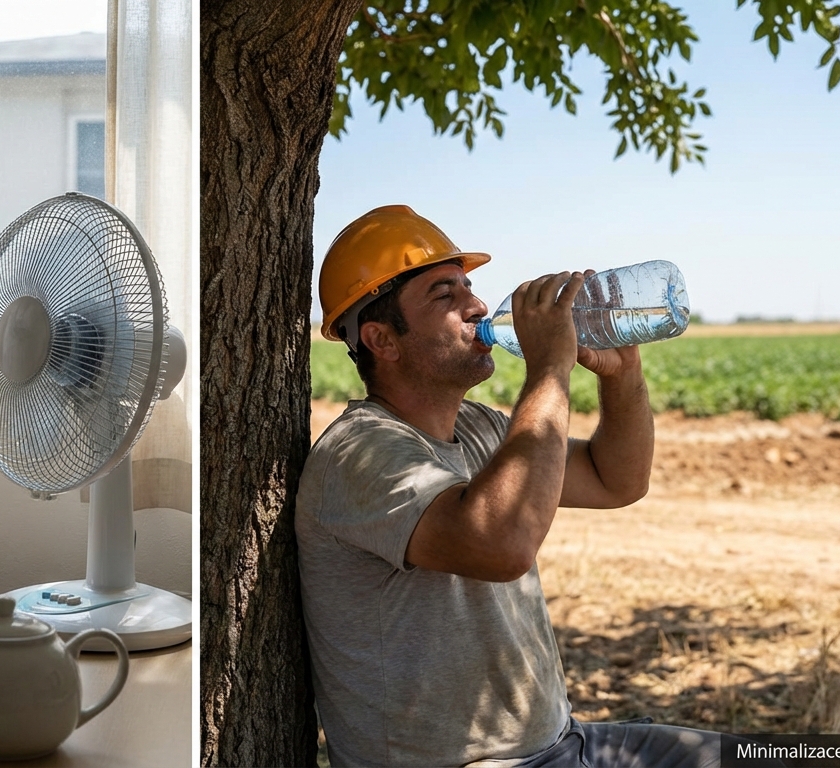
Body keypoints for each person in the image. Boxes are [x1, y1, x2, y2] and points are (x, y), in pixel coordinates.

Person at [295, 205, 728, 767]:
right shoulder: (361, 454)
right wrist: (549, 369)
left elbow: (617, 478)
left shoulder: (478, 427)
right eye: (444, 295)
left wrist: (624, 376)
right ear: (382, 340)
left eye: (469, 288)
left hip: (562, 743)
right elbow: (501, 545)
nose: (477, 306)